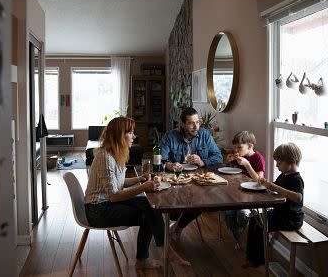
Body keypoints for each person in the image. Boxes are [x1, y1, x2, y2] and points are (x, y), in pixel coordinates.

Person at [84, 117, 189, 269]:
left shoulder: (114, 153)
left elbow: (119, 184)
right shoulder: (105, 158)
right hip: (98, 210)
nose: (134, 136)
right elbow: (114, 196)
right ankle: (153, 256)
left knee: (149, 205)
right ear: (120, 135)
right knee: (149, 213)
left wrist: (140, 179)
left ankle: (157, 254)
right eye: (130, 133)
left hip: (106, 202)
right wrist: (144, 186)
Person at [160, 107, 222, 240]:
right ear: (182, 124)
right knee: (172, 209)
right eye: (191, 123)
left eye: (198, 122)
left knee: (202, 203)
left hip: (198, 180)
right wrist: (169, 164)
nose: (196, 127)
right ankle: (173, 226)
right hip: (176, 180)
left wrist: (202, 162)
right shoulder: (170, 136)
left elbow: (218, 157)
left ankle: (178, 227)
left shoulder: (205, 135)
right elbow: (160, 159)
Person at [243, 142, 304, 267]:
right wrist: (266, 184)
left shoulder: (296, 179)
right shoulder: (284, 175)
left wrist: (274, 186)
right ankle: (251, 257)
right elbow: (274, 188)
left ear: (291, 161)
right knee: (254, 220)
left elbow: (298, 197)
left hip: (291, 218)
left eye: (279, 163)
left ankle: (259, 260)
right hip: (279, 213)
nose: (276, 165)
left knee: (260, 226)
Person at [224, 131, 265, 248]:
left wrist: (247, 165)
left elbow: (259, 181)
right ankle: (238, 237)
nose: (236, 150)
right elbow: (231, 173)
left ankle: (244, 233)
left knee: (242, 214)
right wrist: (228, 162)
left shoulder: (258, 158)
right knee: (228, 213)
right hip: (237, 192)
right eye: (235, 147)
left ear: (250, 146)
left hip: (252, 195)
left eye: (239, 147)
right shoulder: (240, 157)